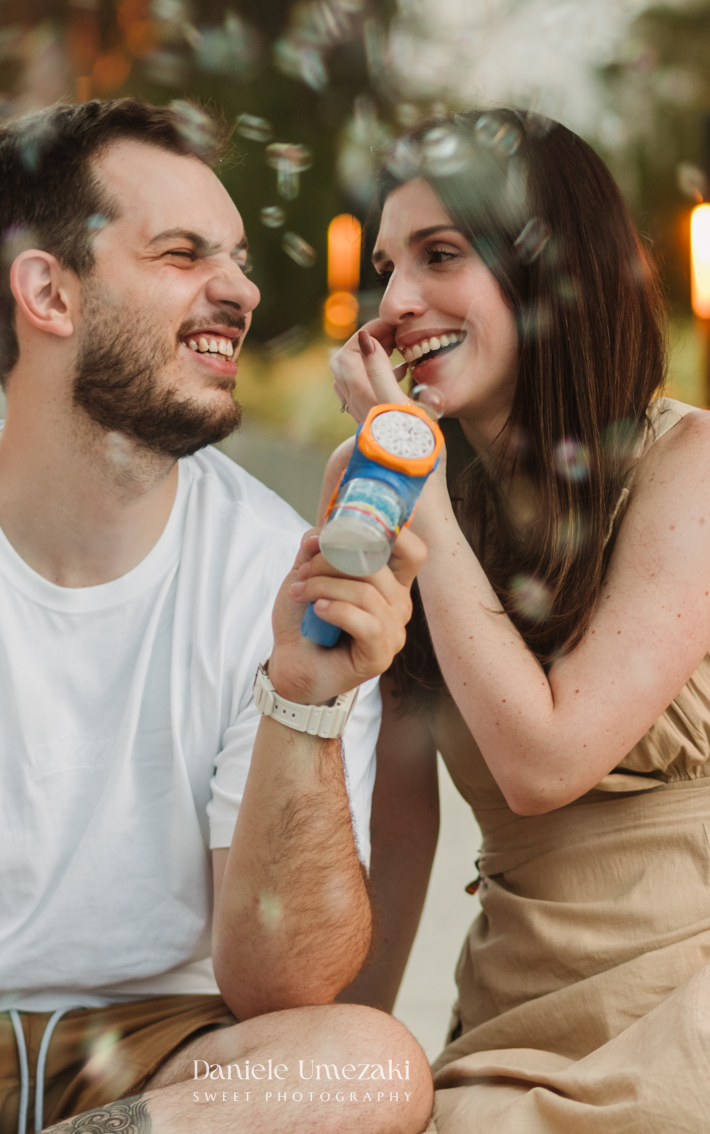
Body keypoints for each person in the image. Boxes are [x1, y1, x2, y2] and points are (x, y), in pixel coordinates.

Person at [0, 98, 435, 1134]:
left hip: (159, 1069)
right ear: (49, 292)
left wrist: (306, 701)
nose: (241, 290)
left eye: (235, 257)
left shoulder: (277, 568)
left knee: (367, 1065)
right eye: (185, 253)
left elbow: (287, 988)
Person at [328, 108, 710, 1132]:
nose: (397, 303)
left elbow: (546, 760)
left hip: (687, 1014)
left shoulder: (691, 468)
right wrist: (321, 1074)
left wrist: (419, 490)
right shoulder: (403, 496)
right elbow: (394, 840)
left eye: (441, 256)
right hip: (508, 1035)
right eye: (386, 268)